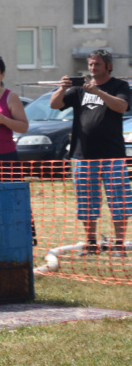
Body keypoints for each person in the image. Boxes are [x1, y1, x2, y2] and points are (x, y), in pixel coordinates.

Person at [50, 49, 132, 258]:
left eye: (97, 64)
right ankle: (91, 242)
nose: (93, 68)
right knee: (86, 201)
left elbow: (121, 106)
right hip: (83, 155)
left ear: (108, 66)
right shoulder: (78, 90)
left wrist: (98, 92)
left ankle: (119, 244)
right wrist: (62, 88)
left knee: (118, 200)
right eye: (91, 64)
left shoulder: (119, 86)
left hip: (112, 155)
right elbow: (55, 104)